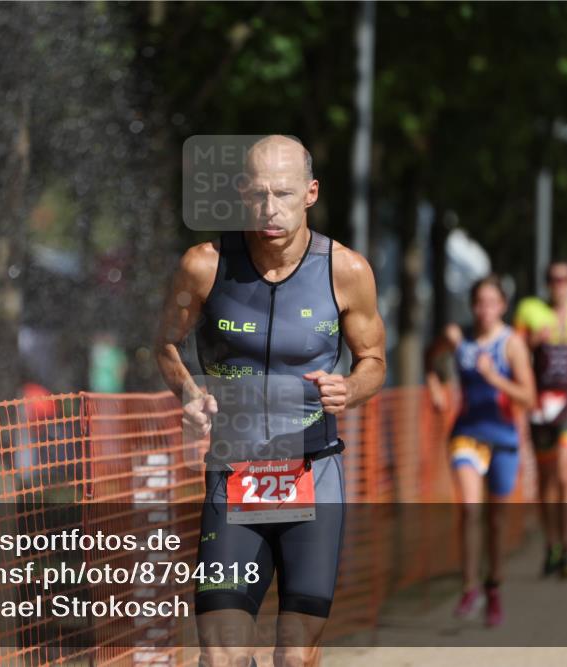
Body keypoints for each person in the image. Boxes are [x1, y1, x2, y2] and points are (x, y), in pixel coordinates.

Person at [155, 135, 386, 667]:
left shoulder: (345, 270)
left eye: (283, 194)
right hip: (234, 478)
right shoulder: (205, 265)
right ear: (242, 193)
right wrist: (189, 389)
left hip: (313, 474)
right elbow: (165, 342)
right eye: (258, 195)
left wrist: (349, 387)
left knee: (295, 656)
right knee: (220, 655)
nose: (269, 209)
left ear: (310, 193)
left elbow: (373, 359)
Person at [427, 275, 536, 628]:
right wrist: (435, 385)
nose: (484, 309)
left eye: (491, 303)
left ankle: (494, 587)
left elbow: (528, 398)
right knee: (470, 510)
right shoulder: (459, 337)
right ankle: (469, 587)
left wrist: (496, 379)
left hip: (503, 436)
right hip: (467, 434)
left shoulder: (512, 344)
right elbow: (433, 355)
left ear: (502, 306)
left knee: (496, 520)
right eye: (479, 302)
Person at [514, 260, 567, 578]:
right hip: (540, 407)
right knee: (546, 482)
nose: (559, 285)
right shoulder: (530, 310)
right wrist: (533, 341)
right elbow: (514, 348)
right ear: (547, 283)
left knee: (566, 474)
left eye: (565, 279)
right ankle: (551, 546)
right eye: (553, 279)